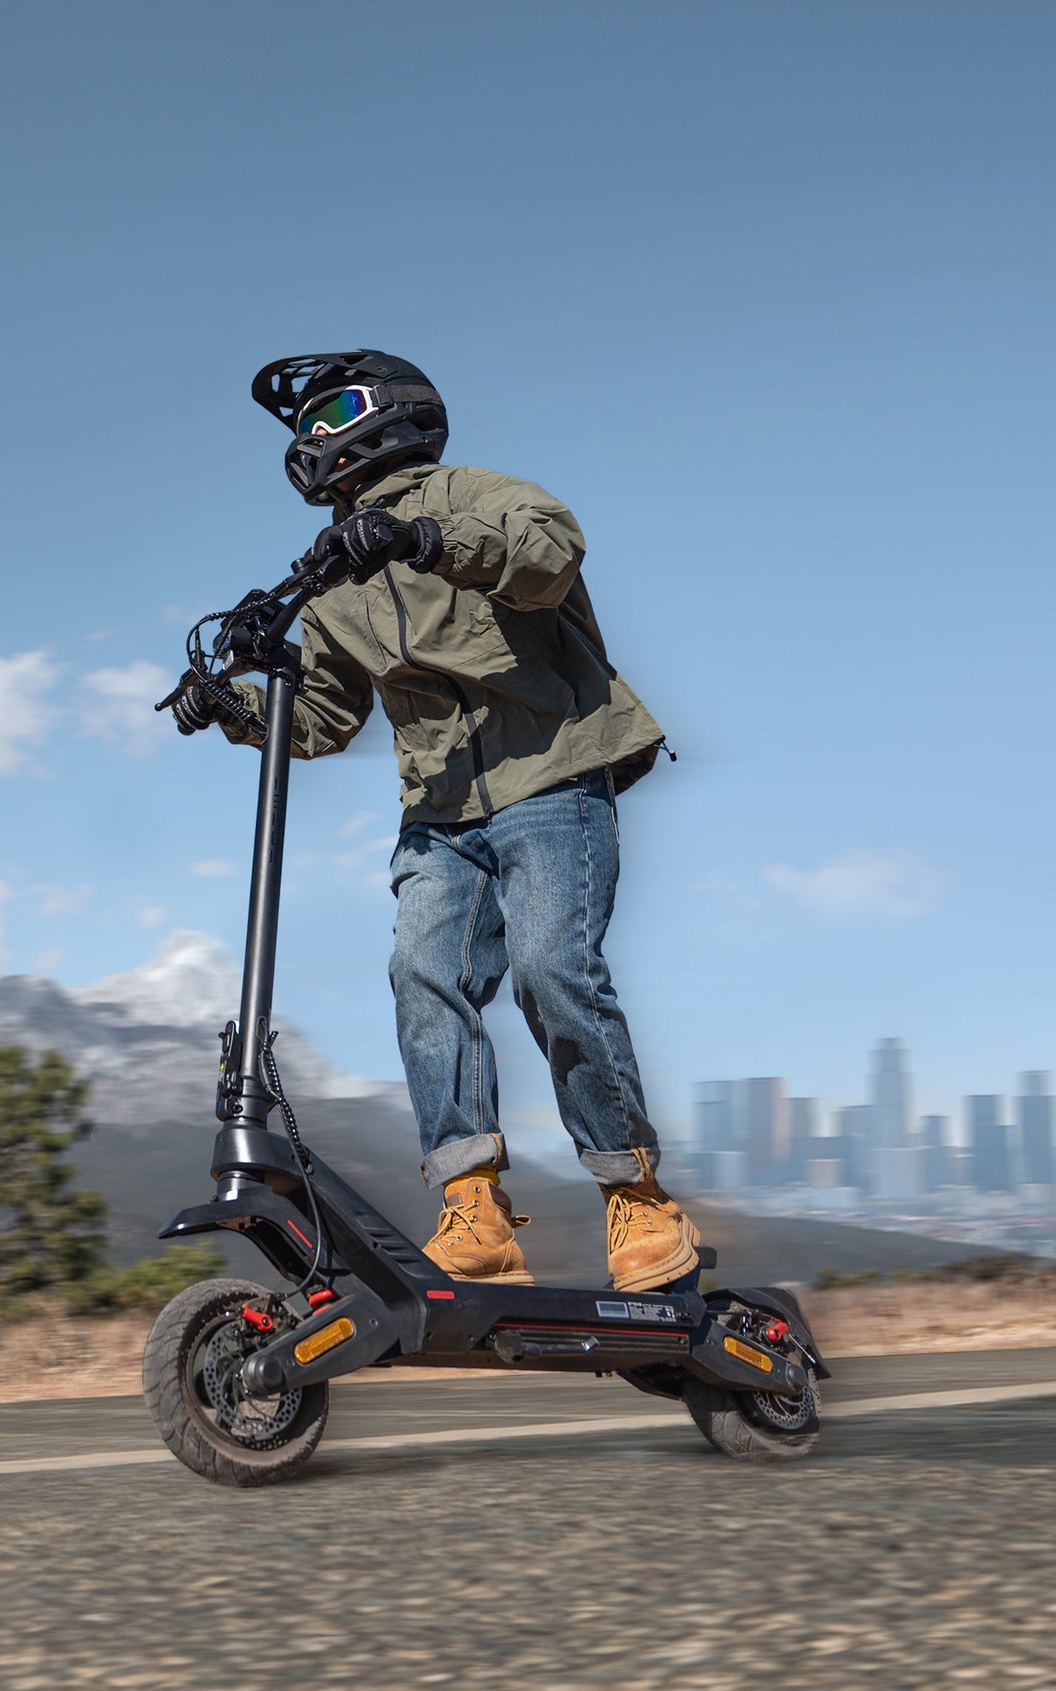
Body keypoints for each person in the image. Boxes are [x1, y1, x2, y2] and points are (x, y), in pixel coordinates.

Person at [173, 349, 700, 1292]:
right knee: (423, 973)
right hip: (440, 812)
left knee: (551, 969)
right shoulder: (332, 582)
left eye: (334, 408)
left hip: (553, 778)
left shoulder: (476, 494)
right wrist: (237, 706)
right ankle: (476, 1208)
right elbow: (327, 723)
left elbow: (550, 559)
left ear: (397, 410)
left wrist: (421, 541)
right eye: (306, 423)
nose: (316, 433)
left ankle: (638, 1195)